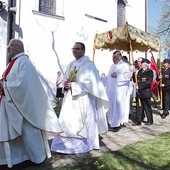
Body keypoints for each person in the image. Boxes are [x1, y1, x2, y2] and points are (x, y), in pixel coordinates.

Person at [0, 39, 63, 168]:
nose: (8, 48)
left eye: (10, 46)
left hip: (24, 106)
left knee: (29, 131)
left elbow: (23, 84)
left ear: (18, 48)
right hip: (13, 104)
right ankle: (20, 158)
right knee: (17, 133)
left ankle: (38, 158)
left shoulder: (24, 62)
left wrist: (5, 85)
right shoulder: (13, 62)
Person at [51, 42, 109, 154]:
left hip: (84, 99)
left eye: (77, 49)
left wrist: (73, 85)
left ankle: (86, 145)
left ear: (83, 50)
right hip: (70, 99)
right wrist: (65, 85)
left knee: (83, 122)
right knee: (68, 121)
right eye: (73, 48)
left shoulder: (89, 65)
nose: (74, 51)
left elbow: (92, 83)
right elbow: (66, 78)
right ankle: (64, 145)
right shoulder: (71, 64)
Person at [106, 51, 132, 132]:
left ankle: (117, 124)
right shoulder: (112, 66)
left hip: (120, 90)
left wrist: (118, 75)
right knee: (112, 106)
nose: (113, 59)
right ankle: (111, 122)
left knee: (118, 107)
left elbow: (128, 76)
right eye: (112, 57)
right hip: (112, 90)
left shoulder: (125, 65)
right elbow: (109, 77)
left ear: (119, 57)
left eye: (114, 57)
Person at [132, 58, 154, 126]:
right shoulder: (140, 71)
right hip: (139, 93)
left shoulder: (150, 72)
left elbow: (148, 82)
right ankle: (139, 121)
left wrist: (140, 87)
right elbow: (135, 80)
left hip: (146, 92)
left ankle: (150, 120)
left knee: (147, 107)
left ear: (146, 65)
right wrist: (134, 73)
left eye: (142, 63)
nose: (140, 64)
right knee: (139, 107)